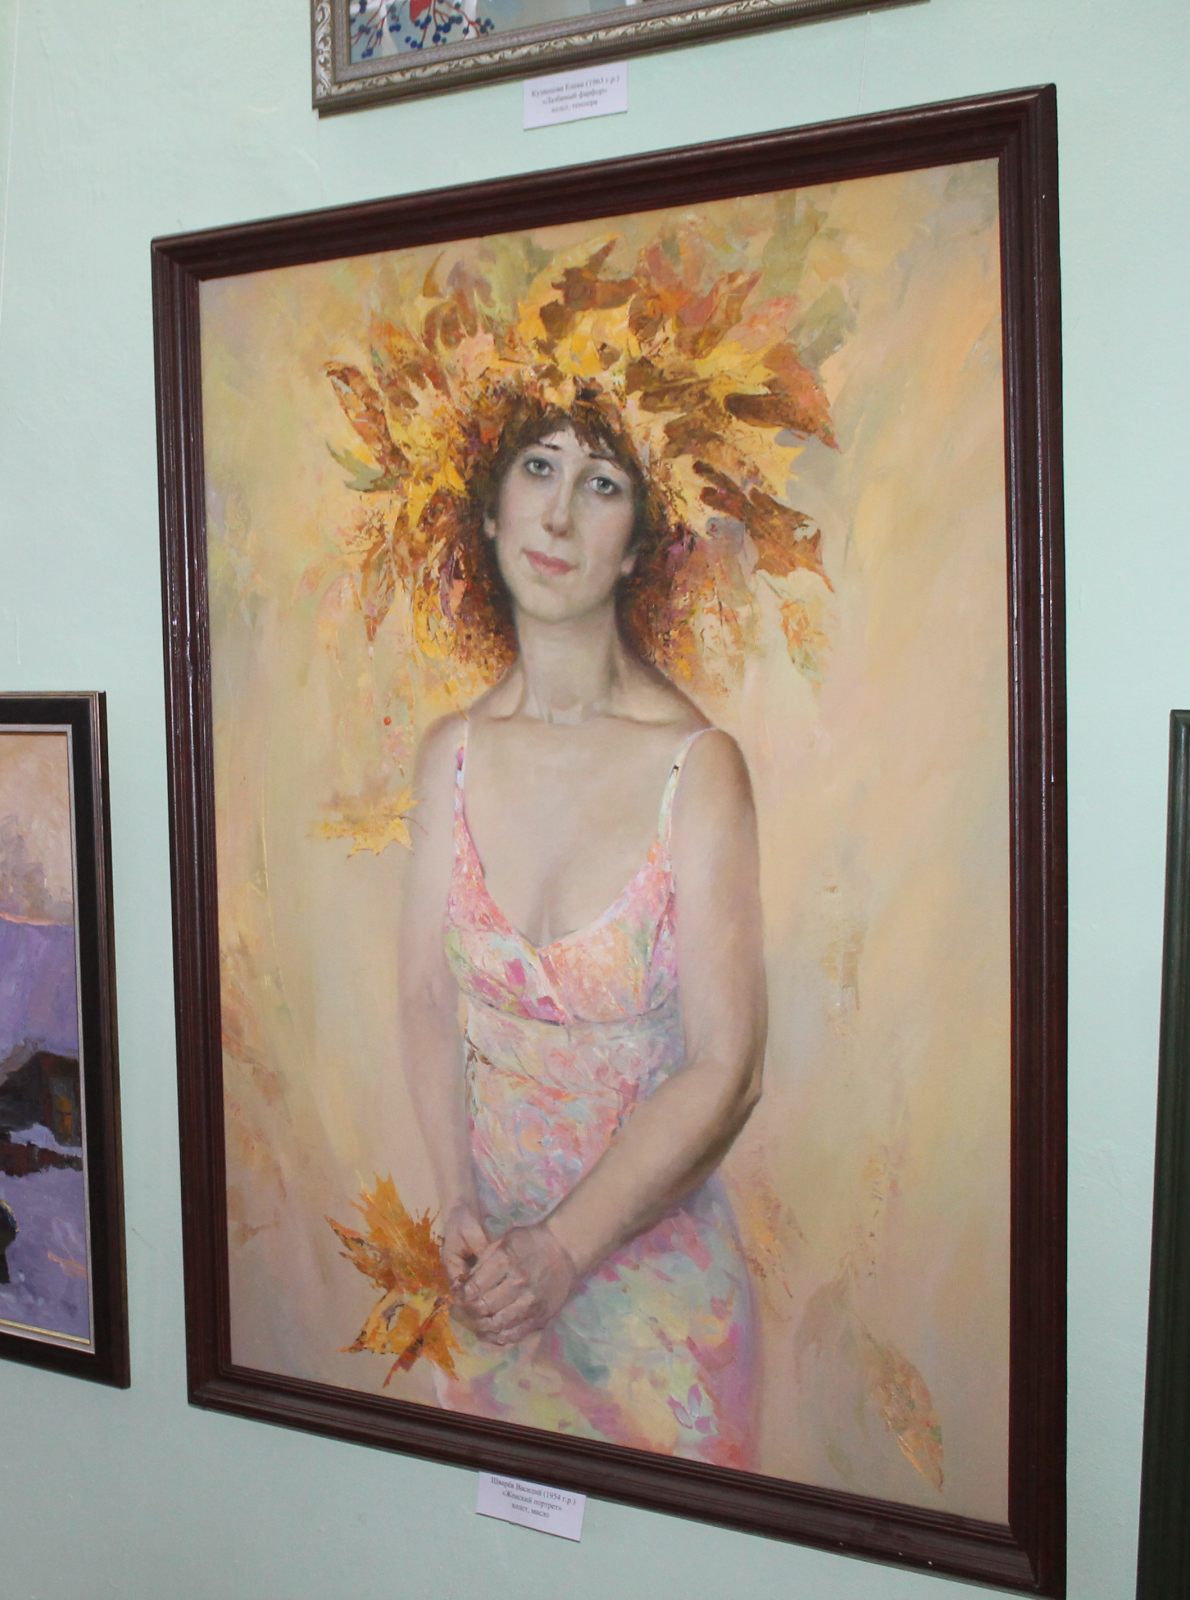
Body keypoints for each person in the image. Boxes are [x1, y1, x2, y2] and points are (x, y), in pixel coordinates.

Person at [397, 399, 768, 1467]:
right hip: (491, 1303)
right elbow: (425, 997)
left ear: (640, 542)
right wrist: (458, 1203)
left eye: (601, 483)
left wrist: (562, 1249)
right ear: (489, 505)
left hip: (659, 1321)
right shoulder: (450, 755)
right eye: (537, 468)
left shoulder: (699, 768)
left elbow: (730, 1067)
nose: (559, 515)